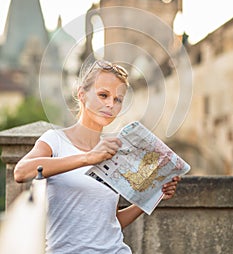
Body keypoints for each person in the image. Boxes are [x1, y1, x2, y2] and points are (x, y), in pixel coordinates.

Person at [14, 59, 181, 254]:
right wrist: (88, 158)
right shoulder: (55, 140)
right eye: (103, 95)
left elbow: (111, 221)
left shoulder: (115, 151)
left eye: (118, 99)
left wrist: (154, 195)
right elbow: (21, 171)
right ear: (82, 95)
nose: (111, 104)